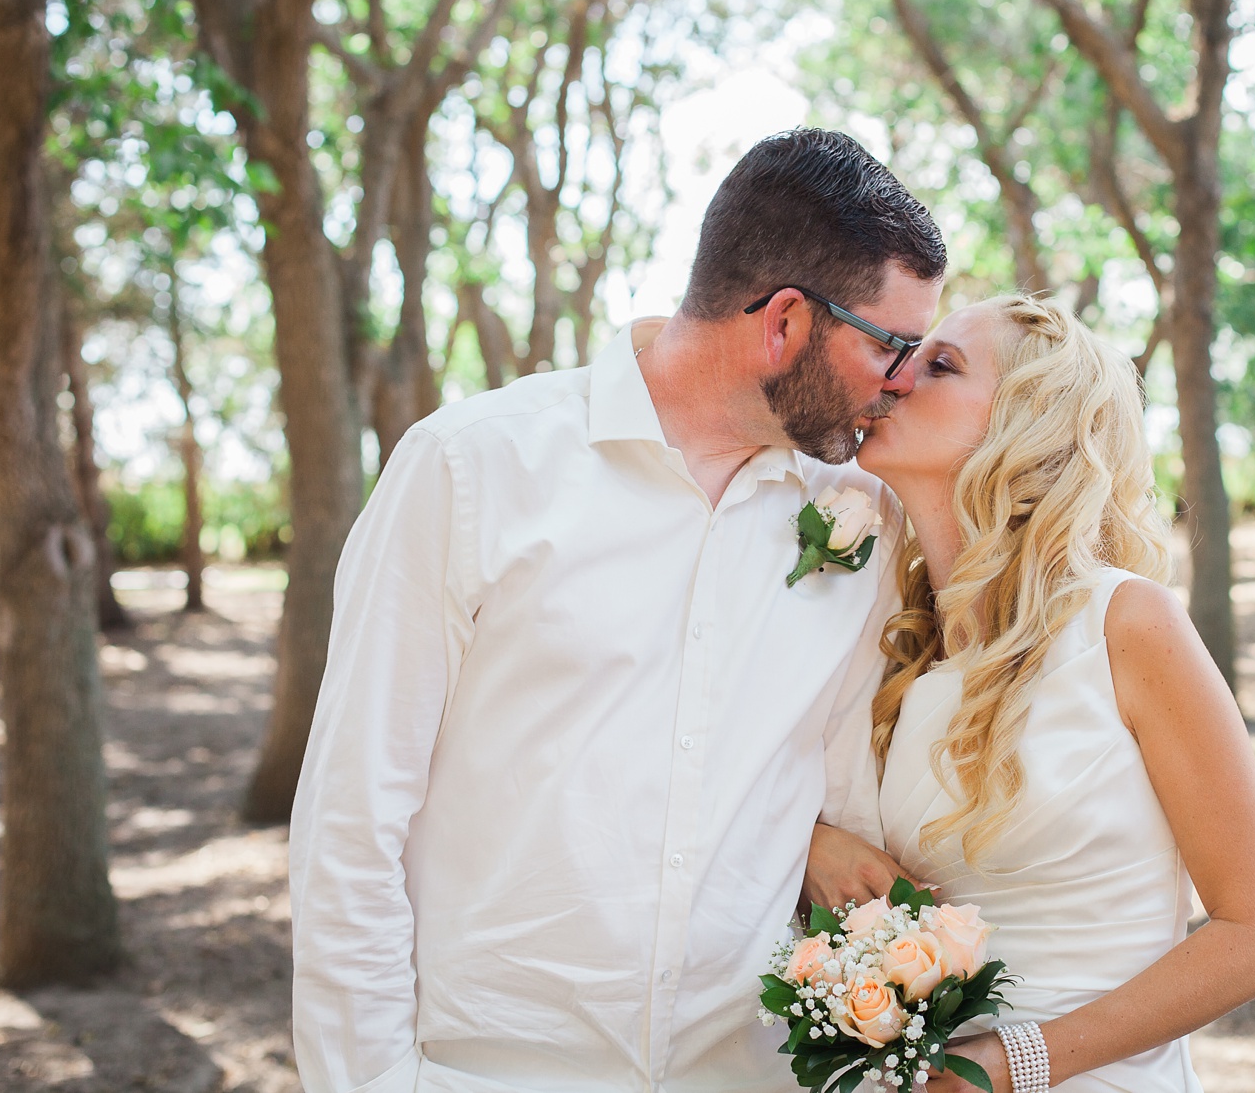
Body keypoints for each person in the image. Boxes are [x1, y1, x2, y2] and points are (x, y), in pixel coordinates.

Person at [289, 128, 945, 1093]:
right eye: (891, 344)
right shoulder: (472, 468)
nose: (903, 381)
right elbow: (352, 818)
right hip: (491, 1071)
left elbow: (835, 785)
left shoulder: (864, 517)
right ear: (785, 323)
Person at [854, 294, 1255, 1093]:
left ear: (1028, 426)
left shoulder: (1127, 622)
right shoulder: (908, 656)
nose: (894, 377)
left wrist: (1013, 1065)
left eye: (942, 365)